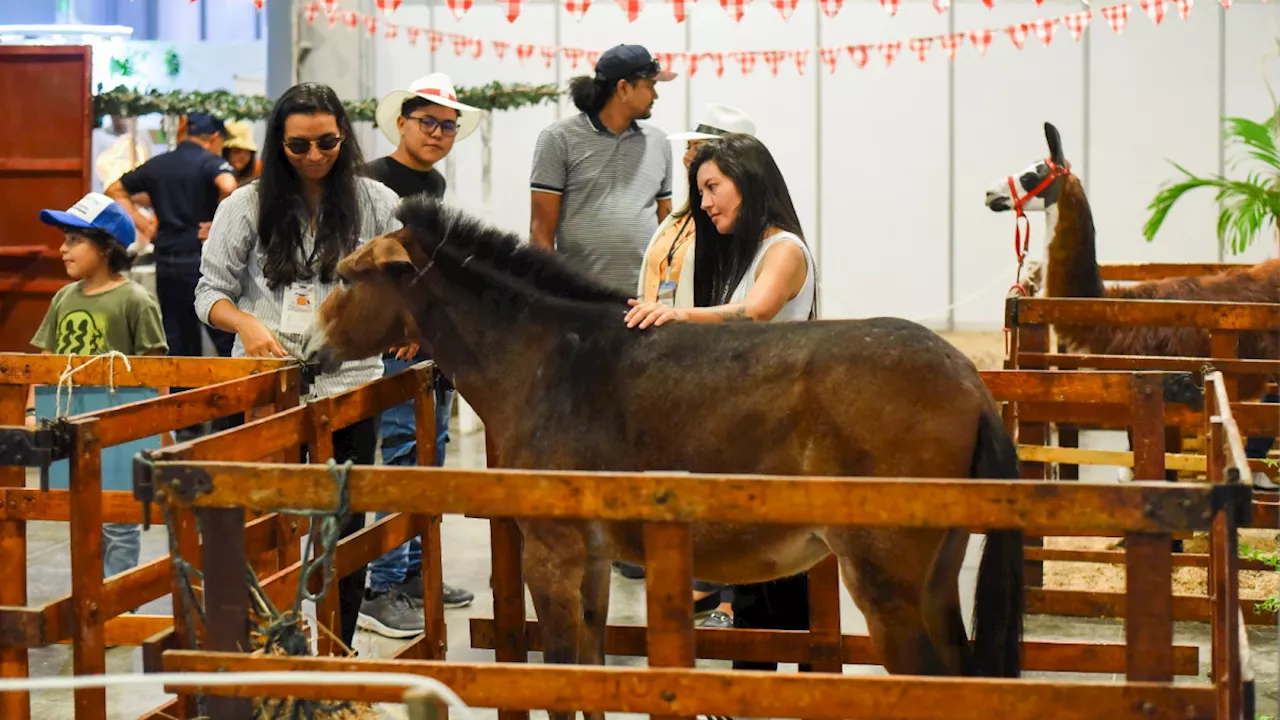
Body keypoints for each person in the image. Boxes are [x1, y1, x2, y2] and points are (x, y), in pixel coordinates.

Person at [195, 82, 401, 651]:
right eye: (298, 146)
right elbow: (208, 293)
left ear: (344, 137)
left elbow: (411, 282)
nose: (314, 157)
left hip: (351, 386)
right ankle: (267, 649)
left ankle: (338, 647)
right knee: (264, 520)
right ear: (277, 144)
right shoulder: (243, 205)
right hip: (266, 386)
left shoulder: (378, 203)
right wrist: (247, 324)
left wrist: (406, 328)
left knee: (342, 524)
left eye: (327, 143)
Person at [624, 133, 817, 691]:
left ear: (747, 180)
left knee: (782, 576)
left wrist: (676, 317)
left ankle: (802, 689)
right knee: (756, 575)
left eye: (713, 187)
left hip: (778, 438)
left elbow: (756, 313)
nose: (705, 202)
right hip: (749, 436)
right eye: (701, 190)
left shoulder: (784, 250)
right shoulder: (743, 251)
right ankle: (755, 692)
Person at [356, 72, 481, 638]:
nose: (437, 133)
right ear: (401, 122)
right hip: (394, 341)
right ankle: (380, 585)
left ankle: (408, 573)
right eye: (426, 122)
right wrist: (400, 323)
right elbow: (367, 264)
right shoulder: (371, 181)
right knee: (400, 451)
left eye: (448, 125)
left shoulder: (434, 183)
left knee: (429, 451)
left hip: (431, 337)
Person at [634, 103, 758, 626]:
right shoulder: (683, 218)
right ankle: (703, 581)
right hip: (667, 363)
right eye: (691, 145)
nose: (690, 154)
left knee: (724, 474)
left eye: (704, 147)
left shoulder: (729, 227)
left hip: (706, 364)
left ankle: (732, 596)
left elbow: (738, 303)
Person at [25, 192, 168, 578]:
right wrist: (31, 411)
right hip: (68, 425)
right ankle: (88, 603)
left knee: (118, 522)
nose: (63, 250)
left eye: (74, 241)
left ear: (106, 248)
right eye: (64, 240)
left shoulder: (136, 300)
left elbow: (156, 371)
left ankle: (115, 609)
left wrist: (157, 429)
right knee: (81, 519)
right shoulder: (62, 299)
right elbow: (44, 363)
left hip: (119, 432)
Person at [529, 43, 677, 296]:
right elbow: (540, 233)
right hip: (580, 302)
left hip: (644, 301)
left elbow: (666, 226)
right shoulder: (558, 139)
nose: (656, 95)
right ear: (623, 88)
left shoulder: (660, 143)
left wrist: (665, 293)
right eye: (651, 85)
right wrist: (553, 296)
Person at [222, 120, 262, 187]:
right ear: (226, 152)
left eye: (248, 152)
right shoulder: (216, 174)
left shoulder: (259, 170)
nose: (243, 156)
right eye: (237, 151)